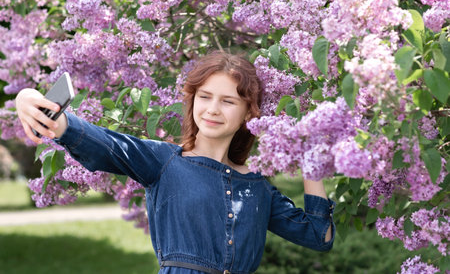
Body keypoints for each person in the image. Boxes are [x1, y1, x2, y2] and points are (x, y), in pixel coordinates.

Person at [16, 51, 336, 274]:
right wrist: (31, 100)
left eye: (227, 101)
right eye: (204, 96)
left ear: (248, 114)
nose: (212, 109)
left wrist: (311, 156)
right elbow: (107, 145)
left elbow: (318, 236)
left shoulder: (257, 187)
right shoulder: (164, 161)